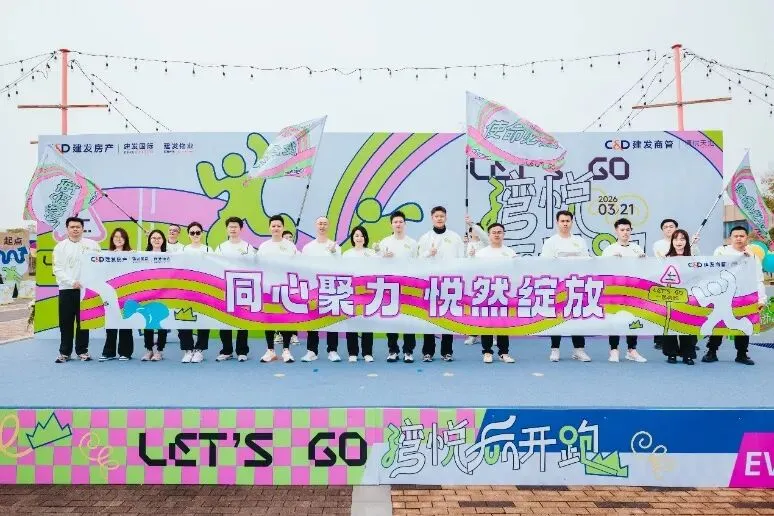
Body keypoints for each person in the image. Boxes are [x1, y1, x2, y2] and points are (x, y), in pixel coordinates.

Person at [701, 226, 764, 366]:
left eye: (742, 236)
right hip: (723, 296)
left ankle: (742, 354)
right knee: (718, 323)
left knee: (744, 325)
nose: (739, 238)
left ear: (746, 238)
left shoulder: (753, 256)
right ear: (730, 238)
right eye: (736, 236)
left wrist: (761, 299)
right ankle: (711, 352)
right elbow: (712, 272)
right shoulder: (721, 251)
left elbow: (758, 278)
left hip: (744, 296)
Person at [540, 210, 592, 362]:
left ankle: (579, 350)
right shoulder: (551, 242)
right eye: (562, 221)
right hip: (558, 284)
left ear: (572, 222)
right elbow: (545, 263)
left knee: (577, 317)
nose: (565, 224)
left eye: (568, 221)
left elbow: (586, 260)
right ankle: (555, 350)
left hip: (576, 284)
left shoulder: (579, 241)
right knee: (556, 317)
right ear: (557, 223)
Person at [417, 206, 464, 362]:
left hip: (449, 283)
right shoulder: (425, 238)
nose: (439, 218)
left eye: (442, 216)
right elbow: (417, 260)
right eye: (436, 216)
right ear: (432, 218)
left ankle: (447, 351)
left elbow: (462, 260)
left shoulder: (455, 237)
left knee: (447, 317)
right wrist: (428, 253)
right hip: (430, 282)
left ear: (446, 218)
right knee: (429, 317)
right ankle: (428, 352)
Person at [53, 217, 101, 363]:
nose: (75, 229)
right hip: (67, 289)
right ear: (67, 229)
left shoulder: (92, 245)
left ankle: (82, 351)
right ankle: (64, 353)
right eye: (72, 227)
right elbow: (57, 269)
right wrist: (72, 282)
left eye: (78, 227)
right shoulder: (60, 247)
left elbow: (99, 264)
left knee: (84, 322)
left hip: (86, 291)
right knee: (66, 322)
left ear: (82, 228)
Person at [600, 218, 648, 363]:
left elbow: (645, 270)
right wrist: (611, 261)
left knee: (633, 319)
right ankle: (614, 350)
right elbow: (602, 271)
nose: (625, 232)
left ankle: (632, 350)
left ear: (631, 230)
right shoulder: (609, 250)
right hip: (615, 290)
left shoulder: (637, 249)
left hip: (633, 290)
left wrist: (643, 261)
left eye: (628, 230)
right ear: (616, 231)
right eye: (622, 230)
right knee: (614, 319)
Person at [377, 210, 419, 363]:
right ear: (391, 224)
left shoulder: (412, 243)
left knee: (409, 320)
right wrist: (383, 257)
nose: (398, 224)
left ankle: (408, 351)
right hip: (390, 285)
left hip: (408, 286)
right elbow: (376, 264)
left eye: (401, 222)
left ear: (405, 224)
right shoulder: (384, 242)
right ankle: (393, 350)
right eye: (395, 222)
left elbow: (418, 264)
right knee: (391, 318)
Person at [473, 223, 517, 364]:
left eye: (499, 232)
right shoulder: (481, 254)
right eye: (494, 232)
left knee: (503, 323)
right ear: (489, 234)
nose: (497, 234)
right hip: (486, 292)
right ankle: (487, 351)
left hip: (504, 292)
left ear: (504, 234)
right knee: (487, 323)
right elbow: (474, 273)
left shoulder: (510, 253)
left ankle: (504, 352)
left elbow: (516, 272)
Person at [256, 215, 297, 363]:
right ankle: (270, 351)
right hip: (268, 287)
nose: (276, 228)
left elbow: (299, 264)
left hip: (285, 286)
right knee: (268, 318)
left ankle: (286, 350)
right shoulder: (264, 246)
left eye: (279, 226)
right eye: (273, 226)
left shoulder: (290, 246)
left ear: (283, 228)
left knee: (285, 319)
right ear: (269, 228)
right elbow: (257, 265)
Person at [301, 216, 342, 362]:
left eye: (325, 224)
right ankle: (312, 351)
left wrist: (334, 253)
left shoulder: (335, 246)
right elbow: (302, 268)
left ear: (328, 226)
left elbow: (340, 267)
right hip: (313, 288)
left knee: (331, 320)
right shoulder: (308, 248)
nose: (322, 226)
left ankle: (333, 350)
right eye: (320, 223)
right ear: (315, 226)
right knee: (313, 320)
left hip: (330, 287)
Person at [214, 217, 255, 362]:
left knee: (242, 320)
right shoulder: (220, 247)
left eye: (235, 227)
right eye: (230, 227)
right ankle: (226, 350)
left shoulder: (248, 247)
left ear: (241, 229)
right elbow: (215, 266)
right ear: (227, 229)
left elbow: (254, 266)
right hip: (225, 287)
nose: (233, 229)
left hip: (243, 287)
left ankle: (242, 351)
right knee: (224, 320)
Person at [662, 229, 698, 365]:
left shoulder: (693, 259)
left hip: (688, 297)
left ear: (687, 242)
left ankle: (688, 354)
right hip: (670, 297)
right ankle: (671, 354)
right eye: (676, 239)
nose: (679, 242)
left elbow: (698, 276)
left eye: (682, 239)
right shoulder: (665, 259)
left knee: (688, 326)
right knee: (669, 325)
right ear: (672, 241)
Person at [99, 227, 134, 361]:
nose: (118, 239)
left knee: (126, 321)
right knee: (111, 322)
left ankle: (125, 352)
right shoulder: (106, 255)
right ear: (112, 239)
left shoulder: (132, 254)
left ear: (126, 239)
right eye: (116, 237)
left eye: (121, 237)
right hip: (110, 293)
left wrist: (134, 256)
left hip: (127, 292)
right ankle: (109, 352)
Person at [343, 226, 376, 362]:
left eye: (362, 235)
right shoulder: (347, 254)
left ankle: (367, 352)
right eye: (356, 235)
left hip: (368, 291)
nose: (359, 238)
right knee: (351, 322)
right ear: (352, 238)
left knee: (367, 322)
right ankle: (352, 353)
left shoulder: (372, 253)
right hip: (351, 292)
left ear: (365, 238)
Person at [180, 222, 212, 363]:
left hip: (204, 289)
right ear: (188, 235)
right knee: (184, 319)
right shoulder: (183, 250)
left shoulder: (208, 249)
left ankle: (199, 350)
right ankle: (188, 350)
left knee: (203, 320)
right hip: (186, 288)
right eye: (192, 233)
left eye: (198, 232)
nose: (195, 235)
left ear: (202, 233)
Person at [142, 230, 169, 361]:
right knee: (148, 322)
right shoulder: (142, 256)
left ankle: (159, 351)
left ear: (163, 240)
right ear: (149, 240)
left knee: (161, 322)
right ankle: (149, 350)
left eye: (159, 238)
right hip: (148, 293)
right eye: (153, 238)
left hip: (164, 293)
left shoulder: (170, 256)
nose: (156, 240)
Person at [463, 215, 488, 346]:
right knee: (473, 309)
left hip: (485, 280)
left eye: (478, 230)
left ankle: (491, 335)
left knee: (487, 309)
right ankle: (473, 334)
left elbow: (483, 235)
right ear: (470, 232)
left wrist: (472, 224)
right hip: (471, 281)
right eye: (473, 230)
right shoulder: (466, 245)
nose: (476, 232)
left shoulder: (485, 243)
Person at [279, 230, 301, 345]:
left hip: (293, 285)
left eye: (290, 237)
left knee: (293, 311)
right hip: (279, 284)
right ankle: (279, 334)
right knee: (279, 310)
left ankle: (294, 335)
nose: (288, 239)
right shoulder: (278, 251)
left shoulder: (297, 252)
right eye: (286, 237)